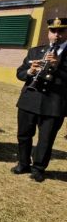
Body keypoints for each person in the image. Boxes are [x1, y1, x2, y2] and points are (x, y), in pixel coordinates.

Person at [12, 17, 67, 182]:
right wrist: (30, 71)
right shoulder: (36, 51)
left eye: (61, 31)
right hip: (30, 99)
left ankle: (38, 168)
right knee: (23, 134)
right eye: (53, 31)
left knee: (46, 139)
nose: (56, 35)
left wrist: (59, 67)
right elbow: (20, 73)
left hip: (54, 104)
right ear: (48, 32)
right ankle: (23, 163)